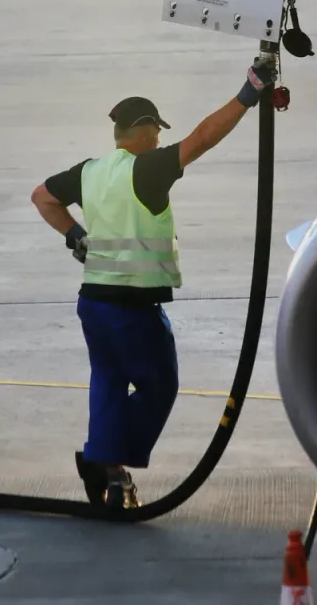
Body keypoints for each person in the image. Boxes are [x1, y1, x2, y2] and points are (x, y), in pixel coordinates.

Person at [30, 55, 276, 509]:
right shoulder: (146, 169)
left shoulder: (89, 172)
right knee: (159, 384)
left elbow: (42, 197)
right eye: (157, 132)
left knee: (107, 381)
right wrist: (248, 95)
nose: (160, 139)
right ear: (144, 131)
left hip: (93, 304)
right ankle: (106, 460)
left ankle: (109, 472)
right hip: (133, 307)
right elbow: (202, 138)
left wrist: (75, 234)